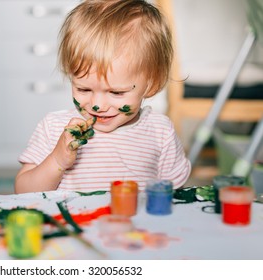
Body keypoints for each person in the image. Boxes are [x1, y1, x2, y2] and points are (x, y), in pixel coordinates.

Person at [15, 0, 191, 194]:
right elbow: (23, 192)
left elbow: (175, 198)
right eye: (83, 89)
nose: (97, 106)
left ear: (152, 83)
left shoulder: (160, 132)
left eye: (116, 92)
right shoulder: (55, 128)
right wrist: (57, 160)